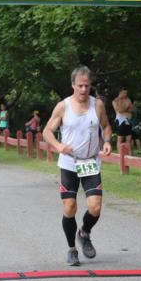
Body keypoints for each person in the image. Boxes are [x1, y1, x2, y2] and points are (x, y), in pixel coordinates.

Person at [43, 66, 113, 266]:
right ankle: (72, 249)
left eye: (87, 85)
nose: (84, 90)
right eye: (80, 85)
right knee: (69, 208)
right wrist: (59, 146)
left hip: (90, 161)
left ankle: (84, 233)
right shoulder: (62, 106)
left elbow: (106, 126)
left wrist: (107, 141)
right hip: (69, 163)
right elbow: (47, 131)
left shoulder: (97, 105)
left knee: (95, 207)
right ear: (73, 85)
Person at [112, 88, 134, 153]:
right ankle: (120, 155)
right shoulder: (115, 100)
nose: (125, 94)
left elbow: (132, 109)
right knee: (120, 138)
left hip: (127, 119)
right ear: (120, 92)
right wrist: (121, 100)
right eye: (124, 93)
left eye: (126, 93)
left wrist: (126, 109)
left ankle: (129, 154)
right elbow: (119, 110)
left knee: (129, 138)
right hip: (120, 120)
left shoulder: (128, 99)